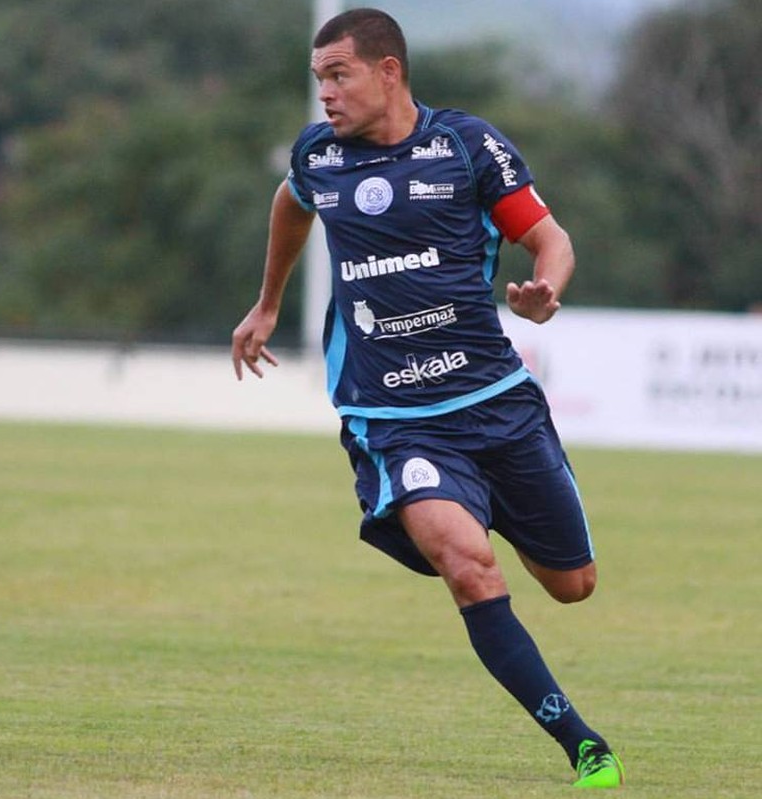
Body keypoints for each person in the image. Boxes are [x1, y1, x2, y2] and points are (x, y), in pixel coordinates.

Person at [231, 8, 625, 789]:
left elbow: (550, 237)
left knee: (571, 584)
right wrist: (267, 301)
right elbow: (290, 204)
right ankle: (583, 744)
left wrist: (547, 291)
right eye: (319, 82)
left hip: (496, 403)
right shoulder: (319, 157)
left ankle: (506, 507)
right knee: (469, 566)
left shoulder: (467, 146)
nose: (327, 98)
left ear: (389, 72)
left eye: (339, 77)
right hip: (396, 420)